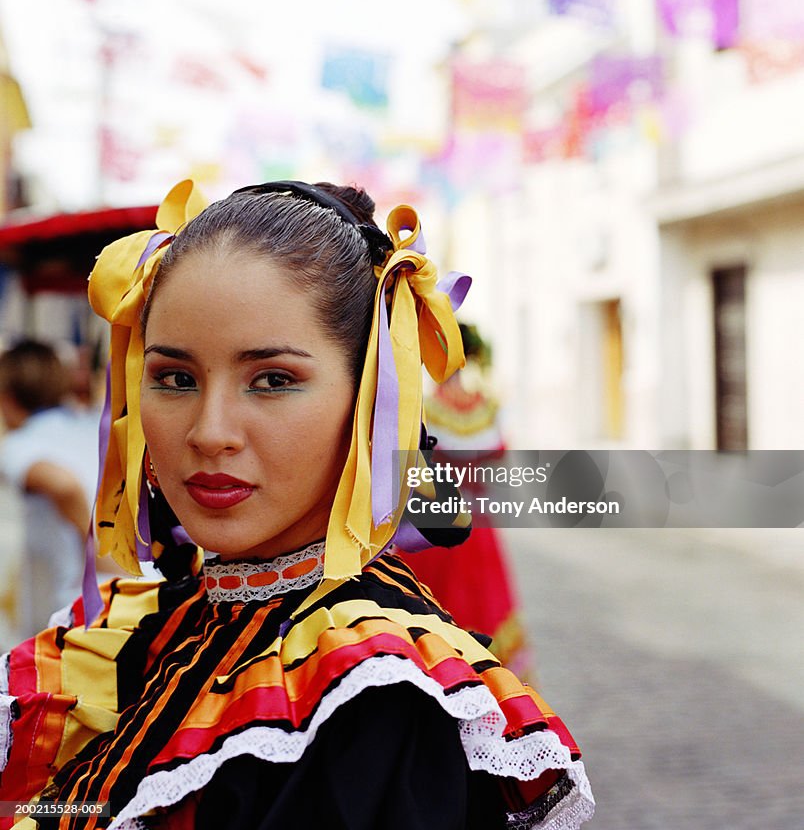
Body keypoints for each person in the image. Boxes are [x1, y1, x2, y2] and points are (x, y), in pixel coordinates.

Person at [0, 179, 594, 829]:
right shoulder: (156, 628)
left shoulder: (367, 694)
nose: (209, 431)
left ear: (369, 393)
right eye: (175, 378)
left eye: (273, 380)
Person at [397, 322, 532, 678]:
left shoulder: (423, 408)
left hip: (432, 523)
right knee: (482, 601)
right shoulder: (487, 407)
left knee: (432, 605)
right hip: (478, 521)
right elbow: (499, 454)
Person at [0, 339, 99, 637]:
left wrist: (99, 549)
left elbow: (64, 486)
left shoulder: (20, 443)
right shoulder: (90, 424)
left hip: (80, 605)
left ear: (7, 398)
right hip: (127, 590)